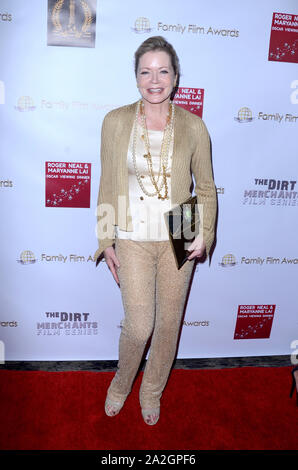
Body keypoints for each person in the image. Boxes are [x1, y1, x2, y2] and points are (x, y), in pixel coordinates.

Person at [94, 36, 217, 425]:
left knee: (167, 325)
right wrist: (104, 239)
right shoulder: (114, 121)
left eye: (163, 70)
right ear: (136, 78)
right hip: (131, 236)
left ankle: (152, 391)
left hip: (180, 232)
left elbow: (208, 187)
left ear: (176, 77)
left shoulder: (195, 127)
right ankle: (120, 384)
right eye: (146, 71)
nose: (155, 79)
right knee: (140, 324)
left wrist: (206, 232)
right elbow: (106, 183)